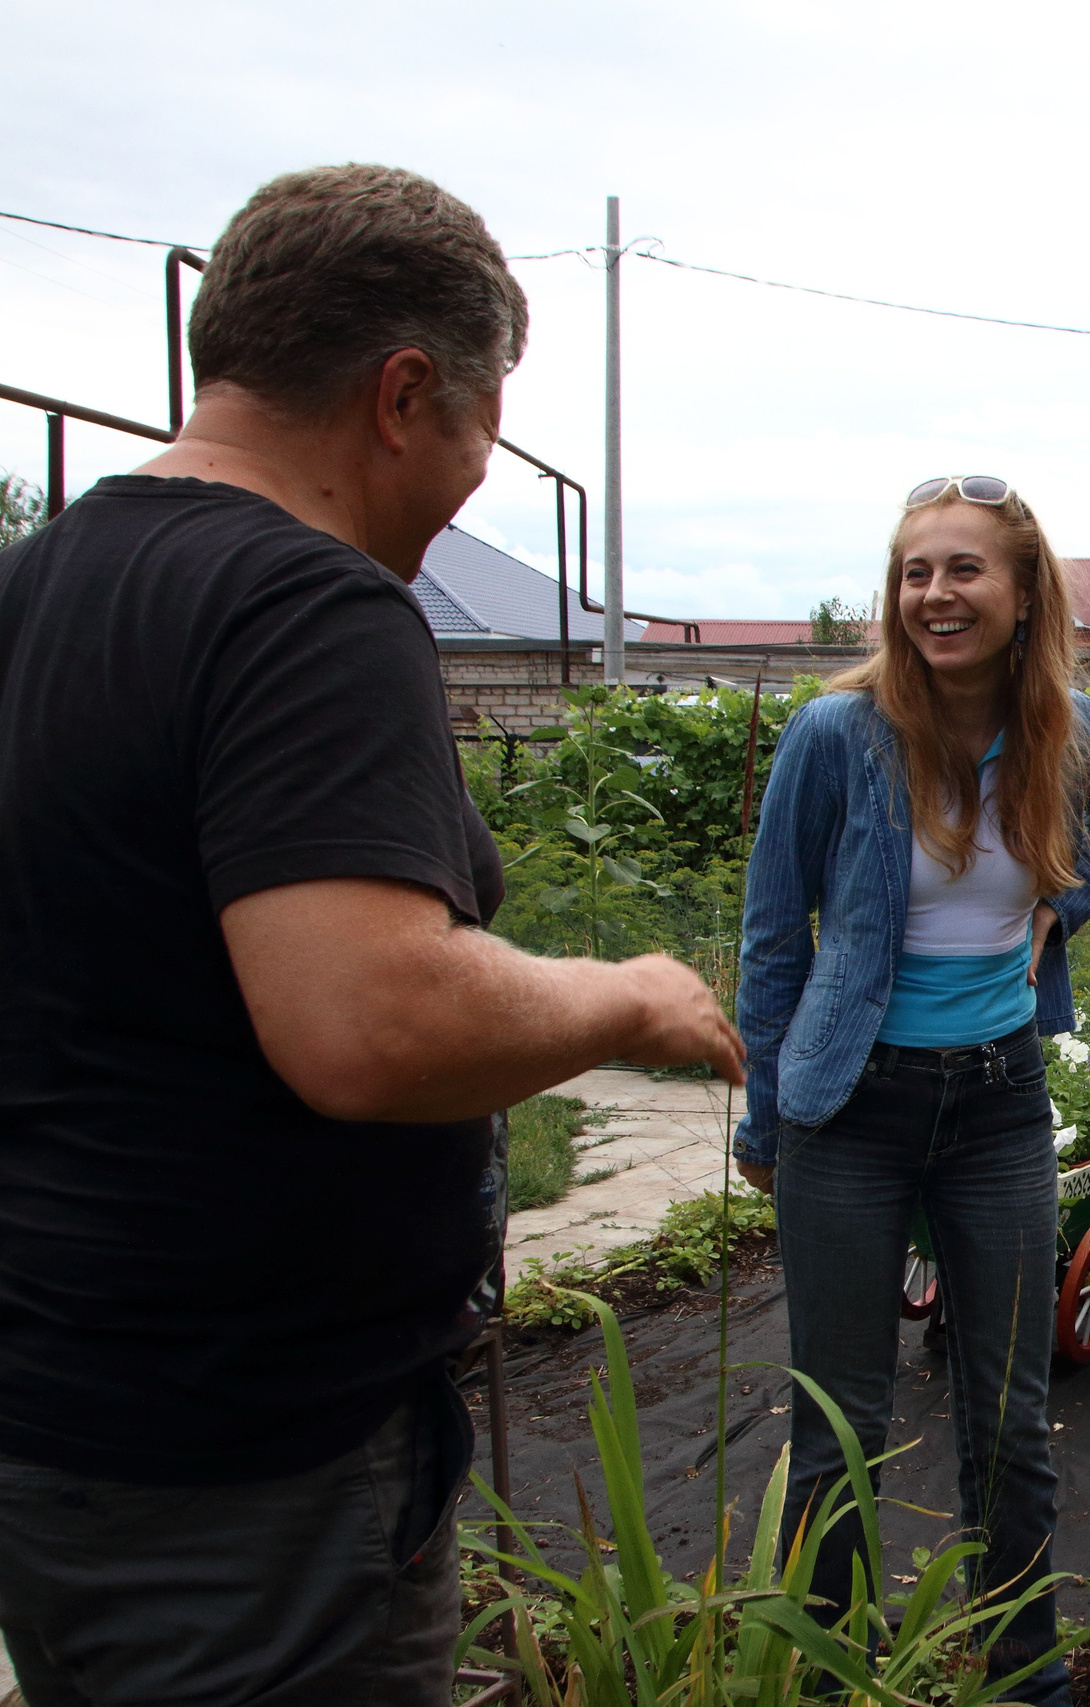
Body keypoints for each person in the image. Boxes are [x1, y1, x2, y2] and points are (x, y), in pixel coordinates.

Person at [0, 166, 743, 1705]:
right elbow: (372, 1021)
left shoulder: (32, 587)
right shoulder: (301, 603)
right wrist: (626, 995)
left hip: (59, 1415)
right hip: (248, 1462)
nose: (474, 472)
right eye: (482, 424)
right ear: (403, 394)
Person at [732, 475, 1090, 1704]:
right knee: (840, 1426)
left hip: (997, 1103)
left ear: (1024, 592)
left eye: (964, 569)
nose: (935, 594)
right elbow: (774, 941)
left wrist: (1059, 909)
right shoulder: (836, 735)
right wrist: (768, 1116)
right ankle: (834, 1680)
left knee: (1009, 1419)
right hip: (850, 1108)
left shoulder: (1069, 730)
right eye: (915, 572)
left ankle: (1025, 1678)